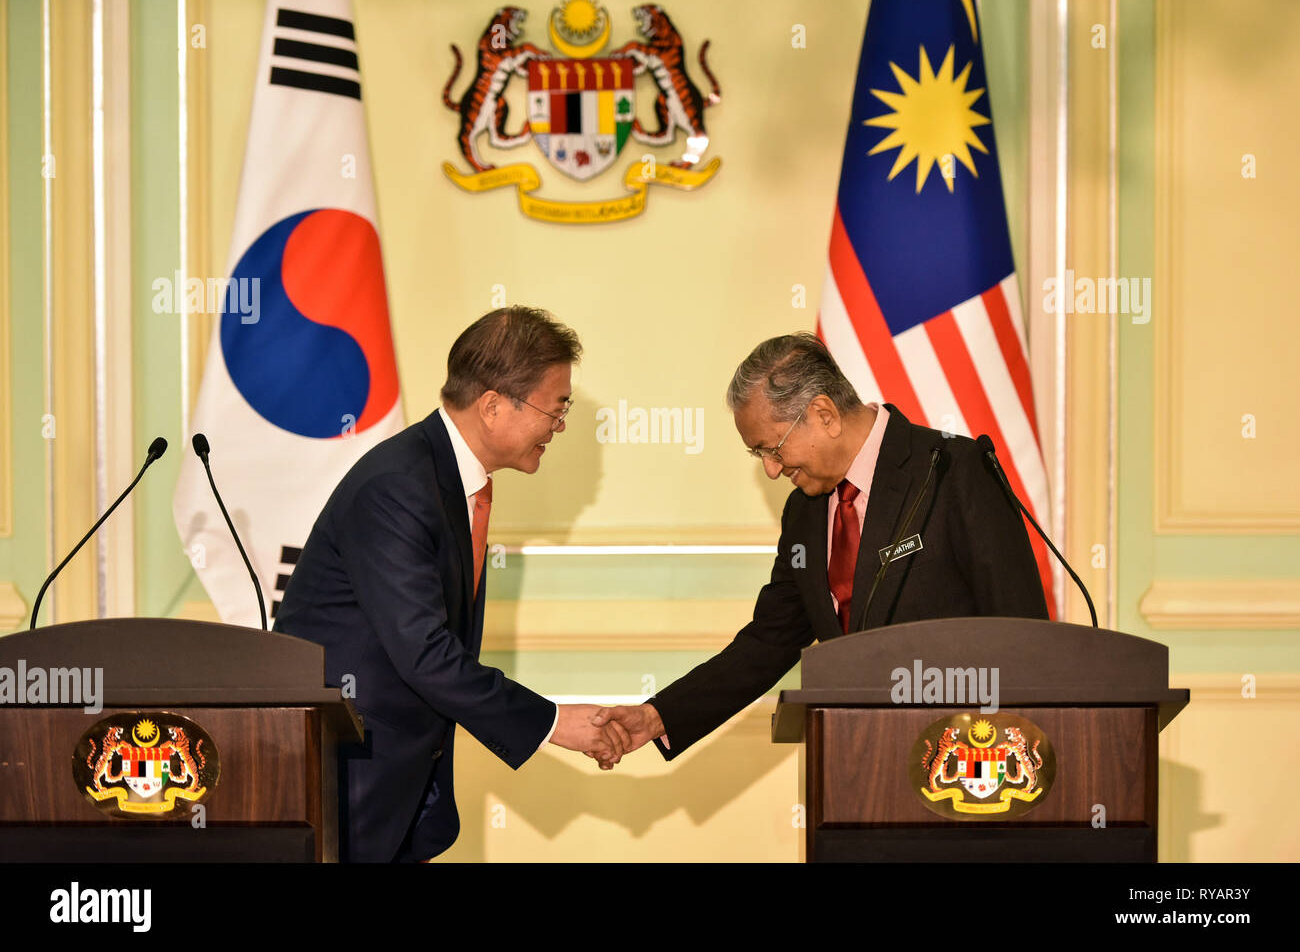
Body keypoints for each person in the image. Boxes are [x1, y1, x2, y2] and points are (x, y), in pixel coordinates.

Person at [274, 306, 629, 861]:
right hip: (350, 773)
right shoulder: (399, 486)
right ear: (492, 405)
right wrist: (553, 722)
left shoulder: (445, 479)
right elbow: (426, 654)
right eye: (555, 410)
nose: (558, 427)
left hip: (403, 771)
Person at [592, 332, 1048, 762]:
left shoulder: (954, 471)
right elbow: (771, 639)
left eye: (772, 449)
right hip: (853, 768)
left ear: (824, 414)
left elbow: (1022, 631)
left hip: (968, 764)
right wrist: (658, 716)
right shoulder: (804, 513)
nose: (771, 470)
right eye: (759, 456)